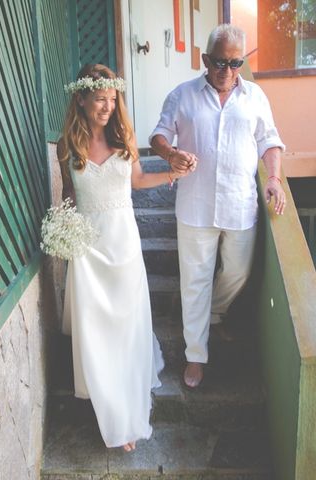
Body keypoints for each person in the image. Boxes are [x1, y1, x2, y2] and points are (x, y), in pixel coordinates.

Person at [58, 64, 192, 452]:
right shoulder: (68, 144)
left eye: (112, 99)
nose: (106, 106)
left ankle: (129, 413)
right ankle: (110, 409)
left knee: (127, 325)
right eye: (99, 98)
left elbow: (136, 182)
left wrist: (172, 174)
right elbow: (68, 193)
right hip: (87, 247)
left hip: (123, 244)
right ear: (82, 98)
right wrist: (66, 234)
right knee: (97, 329)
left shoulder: (124, 136)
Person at [149, 24, 286, 389]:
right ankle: (195, 356)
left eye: (236, 62)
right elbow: (159, 135)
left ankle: (214, 312)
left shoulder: (255, 96)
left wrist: (272, 178)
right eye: (221, 62)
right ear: (205, 59)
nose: (227, 71)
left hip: (241, 204)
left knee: (237, 273)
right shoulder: (183, 95)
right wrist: (171, 153)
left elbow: (269, 141)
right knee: (194, 282)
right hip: (194, 206)